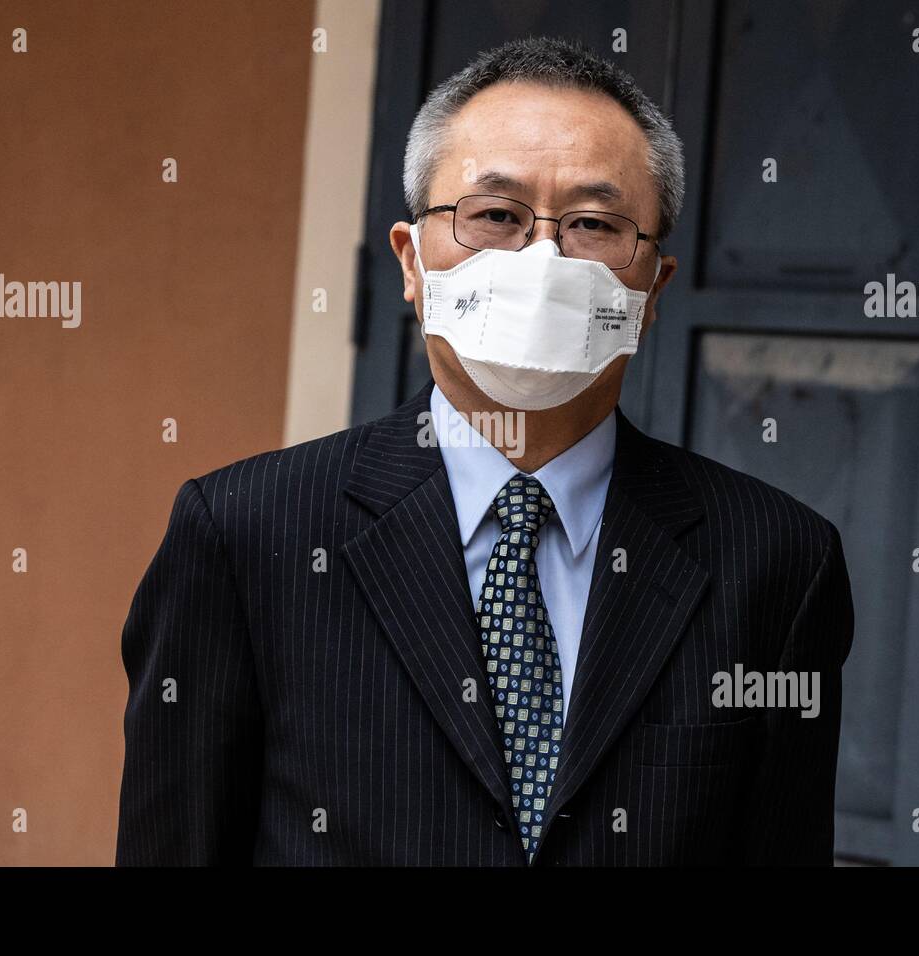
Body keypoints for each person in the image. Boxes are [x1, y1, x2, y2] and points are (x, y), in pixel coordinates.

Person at [115, 36, 853, 866]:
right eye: (496, 216)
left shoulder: (776, 562)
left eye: (594, 225)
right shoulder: (247, 536)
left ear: (651, 291)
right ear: (411, 261)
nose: (541, 261)